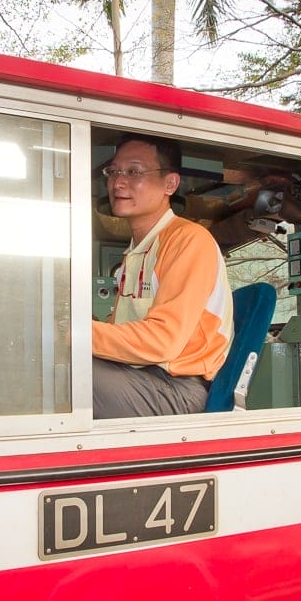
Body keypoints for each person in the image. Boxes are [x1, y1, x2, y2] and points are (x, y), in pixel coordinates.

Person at [92, 134, 233, 418]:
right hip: (138, 375)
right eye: (114, 171)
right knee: (55, 365)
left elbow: (162, 341)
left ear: (170, 184)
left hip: (177, 388)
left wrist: (74, 335)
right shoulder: (138, 251)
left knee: (58, 377)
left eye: (134, 172)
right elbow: (123, 328)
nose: (118, 182)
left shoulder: (188, 240)